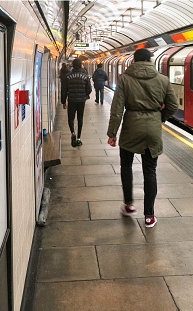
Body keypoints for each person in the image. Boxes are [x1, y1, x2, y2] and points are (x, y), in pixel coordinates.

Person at [107, 48, 178, 228]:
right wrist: (159, 117)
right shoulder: (163, 79)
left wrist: (112, 133)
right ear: (150, 60)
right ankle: (149, 216)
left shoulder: (124, 79)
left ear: (134, 61)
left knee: (126, 166)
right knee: (150, 171)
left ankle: (129, 205)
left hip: (131, 127)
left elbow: (117, 108)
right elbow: (172, 106)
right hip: (153, 128)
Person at [61, 58, 92, 147]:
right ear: (81, 65)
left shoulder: (67, 76)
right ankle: (78, 138)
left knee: (71, 118)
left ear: (72, 65)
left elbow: (64, 90)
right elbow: (89, 89)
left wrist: (63, 101)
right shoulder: (85, 76)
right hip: (81, 101)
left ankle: (73, 133)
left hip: (71, 100)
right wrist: (84, 95)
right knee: (80, 118)